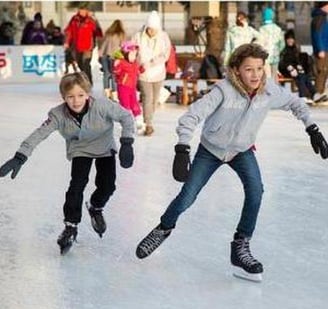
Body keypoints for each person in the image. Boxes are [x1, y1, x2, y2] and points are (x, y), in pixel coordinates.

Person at [135, 43, 328, 282]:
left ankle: (241, 246)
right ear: (236, 70)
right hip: (210, 150)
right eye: (249, 69)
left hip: (241, 150)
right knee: (187, 196)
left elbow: (296, 103)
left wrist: (312, 128)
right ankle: (163, 228)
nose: (255, 74)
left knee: (256, 192)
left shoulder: (269, 91)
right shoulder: (223, 91)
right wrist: (183, 148)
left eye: (259, 68)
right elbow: (191, 116)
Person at [0, 72, 135, 255]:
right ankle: (70, 226)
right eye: (70, 96)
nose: (76, 101)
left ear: (87, 94)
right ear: (63, 97)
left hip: (104, 147)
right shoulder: (57, 114)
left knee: (108, 185)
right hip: (79, 149)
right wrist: (20, 156)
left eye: (80, 95)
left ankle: (95, 206)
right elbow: (39, 134)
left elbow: (126, 117)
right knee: (76, 186)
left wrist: (126, 141)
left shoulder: (103, 105)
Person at [132, 10, 171, 136]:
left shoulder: (163, 36)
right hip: (143, 73)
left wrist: (153, 62)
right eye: (149, 29)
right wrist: (136, 61)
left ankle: (149, 119)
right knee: (147, 98)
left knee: (154, 100)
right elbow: (131, 50)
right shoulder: (138, 36)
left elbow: (166, 54)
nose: (151, 32)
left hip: (158, 72)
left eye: (154, 29)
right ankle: (148, 124)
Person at [64, 5, 103, 85]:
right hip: (76, 46)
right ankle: (84, 79)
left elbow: (98, 33)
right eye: (81, 9)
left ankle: (88, 82)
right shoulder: (74, 19)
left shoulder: (91, 20)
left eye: (84, 9)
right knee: (80, 64)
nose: (82, 11)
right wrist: (67, 42)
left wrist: (99, 44)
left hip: (88, 47)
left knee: (86, 63)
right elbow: (69, 31)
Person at [279, 29, 316, 103]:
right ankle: (303, 95)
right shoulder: (284, 50)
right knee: (301, 75)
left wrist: (300, 66)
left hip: (295, 70)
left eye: (291, 39)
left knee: (304, 75)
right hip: (286, 70)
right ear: (286, 40)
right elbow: (283, 63)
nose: (290, 41)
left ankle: (314, 93)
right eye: (288, 39)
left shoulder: (295, 49)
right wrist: (290, 68)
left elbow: (297, 61)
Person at [113, 40, 144, 121]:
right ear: (126, 54)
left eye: (135, 54)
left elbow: (138, 70)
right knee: (125, 104)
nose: (133, 57)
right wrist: (116, 66)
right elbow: (116, 72)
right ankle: (125, 120)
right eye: (131, 54)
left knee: (134, 103)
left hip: (132, 87)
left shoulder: (134, 63)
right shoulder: (121, 62)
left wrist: (142, 69)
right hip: (123, 87)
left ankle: (139, 119)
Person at [98, 19, 126, 99]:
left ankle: (106, 91)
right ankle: (114, 93)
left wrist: (100, 56)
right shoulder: (121, 34)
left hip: (105, 56)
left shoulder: (108, 34)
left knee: (106, 74)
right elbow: (123, 46)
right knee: (114, 75)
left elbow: (103, 46)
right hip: (115, 57)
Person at [258, 7, 284, 81]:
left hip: (265, 56)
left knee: (267, 76)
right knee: (274, 76)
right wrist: (278, 51)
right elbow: (282, 44)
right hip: (275, 55)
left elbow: (260, 43)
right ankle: (275, 91)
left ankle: (268, 91)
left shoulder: (262, 29)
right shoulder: (278, 29)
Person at [311, 2, 328, 103]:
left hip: (326, 49)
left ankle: (321, 93)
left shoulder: (323, 17)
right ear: (324, 6)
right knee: (321, 71)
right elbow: (317, 35)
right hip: (322, 50)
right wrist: (320, 49)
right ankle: (317, 94)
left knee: (325, 71)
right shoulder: (319, 18)